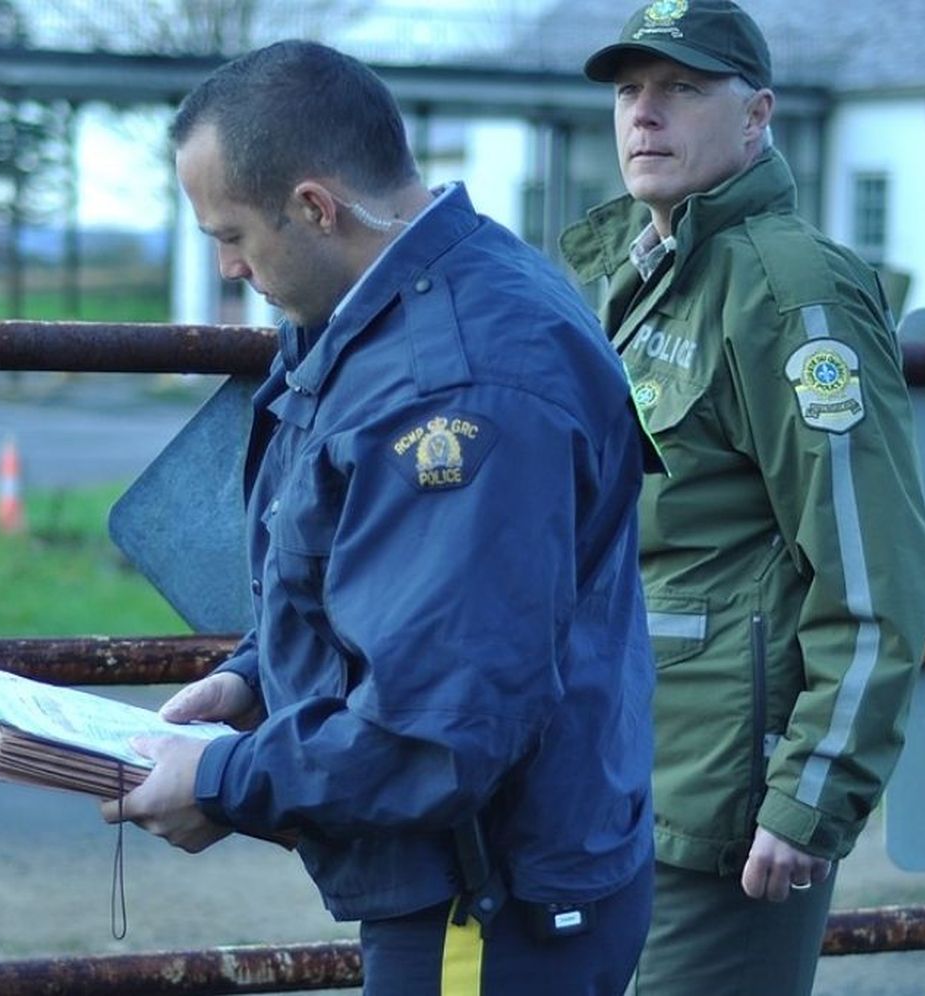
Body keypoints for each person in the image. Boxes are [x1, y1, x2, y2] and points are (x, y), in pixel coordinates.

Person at [100, 40, 656, 996]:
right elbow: (374, 569)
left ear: (316, 206)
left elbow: (441, 724)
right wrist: (255, 681)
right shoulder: (387, 310)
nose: (230, 267)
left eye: (231, 234)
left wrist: (221, 783)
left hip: (483, 896)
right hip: (474, 876)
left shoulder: (460, 380)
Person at [559, 2, 925, 993]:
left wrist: (811, 795)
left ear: (758, 113)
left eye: (683, 88)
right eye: (630, 90)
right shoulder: (630, 276)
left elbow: (871, 561)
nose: (646, 115)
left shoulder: (790, 288)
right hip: (616, 775)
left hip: (727, 803)